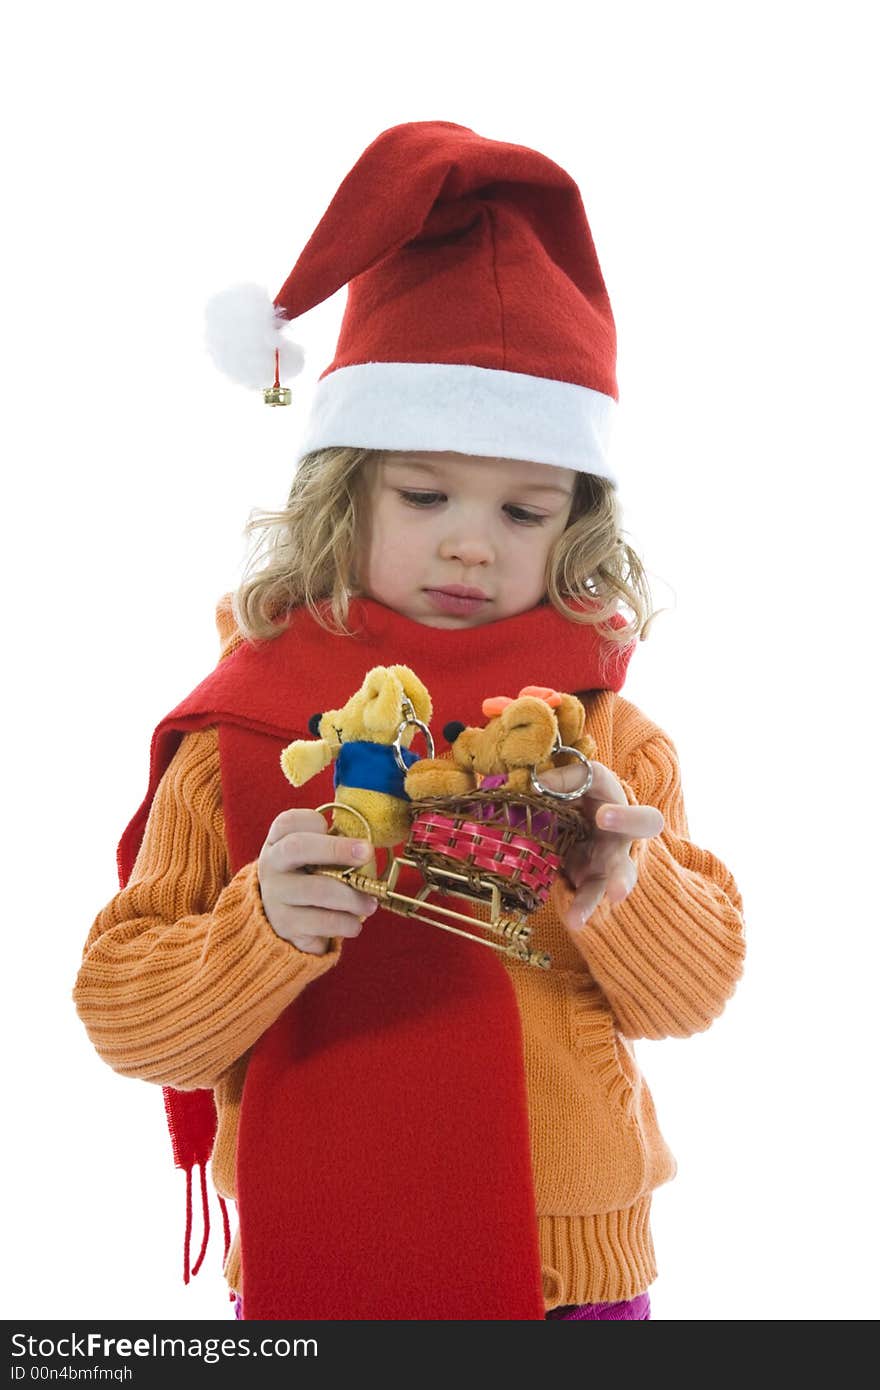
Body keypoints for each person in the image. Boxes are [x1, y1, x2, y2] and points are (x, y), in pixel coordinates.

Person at [72, 120, 746, 1322]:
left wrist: (621, 890)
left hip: (567, 1276)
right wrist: (260, 924)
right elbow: (128, 1014)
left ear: (577, 523)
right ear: (343, 492)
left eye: (526, 508)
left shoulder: (599, 737)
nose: (472, 540)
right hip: (318, 1250)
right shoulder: (241, 730)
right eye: (424, 493)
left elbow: (690, 998)